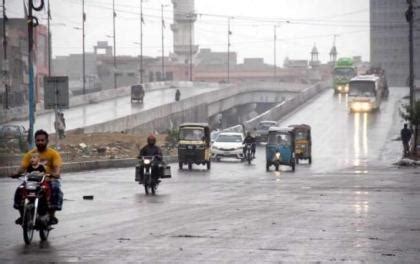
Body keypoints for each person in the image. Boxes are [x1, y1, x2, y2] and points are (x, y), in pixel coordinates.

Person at [11, 129, 63, 225]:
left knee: (56, 188)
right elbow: (22, 168)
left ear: (47, 141)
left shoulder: (54, 154)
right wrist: (16, 173)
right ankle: (23, 216)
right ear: (35, 141)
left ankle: (51, 216)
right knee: (20, 189)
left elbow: (57, 169)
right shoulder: (30, 155)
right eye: (38, 140)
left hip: (49, 179)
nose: (40, 142)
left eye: (42, 140)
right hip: (32, 180)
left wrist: (55, 174)